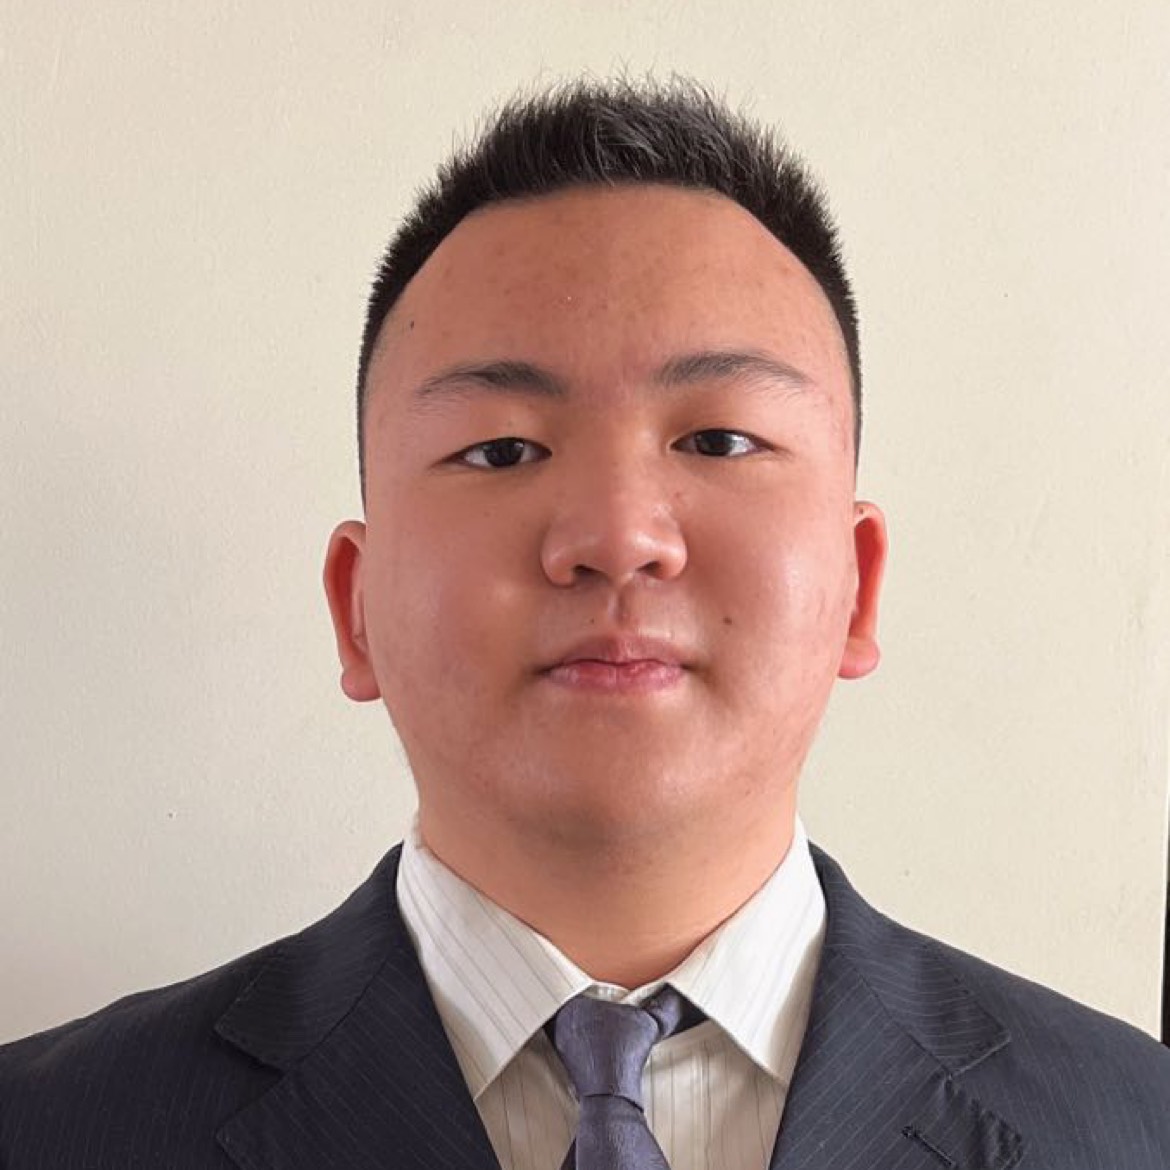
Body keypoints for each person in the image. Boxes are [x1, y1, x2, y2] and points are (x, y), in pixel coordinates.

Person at [2, 77, 1168, 1170]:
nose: (616, 536)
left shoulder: (1134, 1125)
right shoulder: (49, 1128)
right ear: (356, 609)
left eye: (718, 440)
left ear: (859, 587)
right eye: (502, 449)